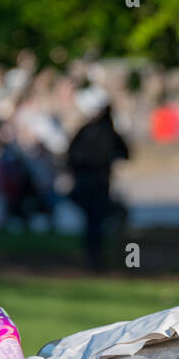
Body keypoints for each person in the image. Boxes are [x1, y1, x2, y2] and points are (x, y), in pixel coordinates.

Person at [67, 100, 129, 268]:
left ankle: (92, 254)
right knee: (96, 220)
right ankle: (94, 255)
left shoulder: (87, 130)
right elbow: (126, 153)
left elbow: (70, 154)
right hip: (98, 181)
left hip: (85, 180)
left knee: (92, 220)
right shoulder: (107, 132)